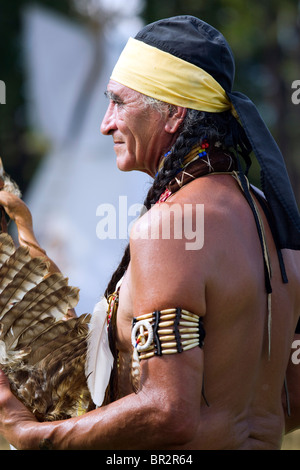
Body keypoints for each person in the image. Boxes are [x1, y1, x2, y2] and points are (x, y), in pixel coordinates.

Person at [0, 15, 300, 450]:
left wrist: (36, 436)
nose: (106, 124)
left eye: (119, 103)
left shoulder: (171, 228)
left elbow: (167, 413)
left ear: (175, 112)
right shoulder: (273, 217)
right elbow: (292, 392)